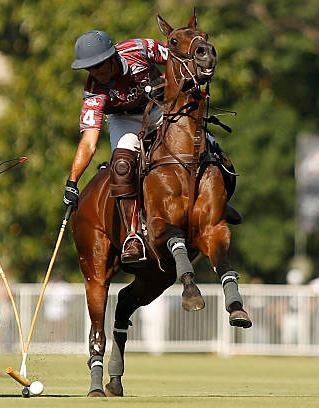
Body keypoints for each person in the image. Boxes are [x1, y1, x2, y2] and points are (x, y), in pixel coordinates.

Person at [63, 30, 241, 264]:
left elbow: (178, 61)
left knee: (206, 144)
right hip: (124, 119)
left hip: (160, 105)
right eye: (91, 68)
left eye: (99, 65)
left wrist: (184, 80)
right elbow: (88, 142)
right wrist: (73, 182)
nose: (96, 72)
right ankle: (132, 235)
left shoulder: (139, 49)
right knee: (122, 166)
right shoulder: (94, 92)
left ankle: (218, 203)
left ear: (113, 57)